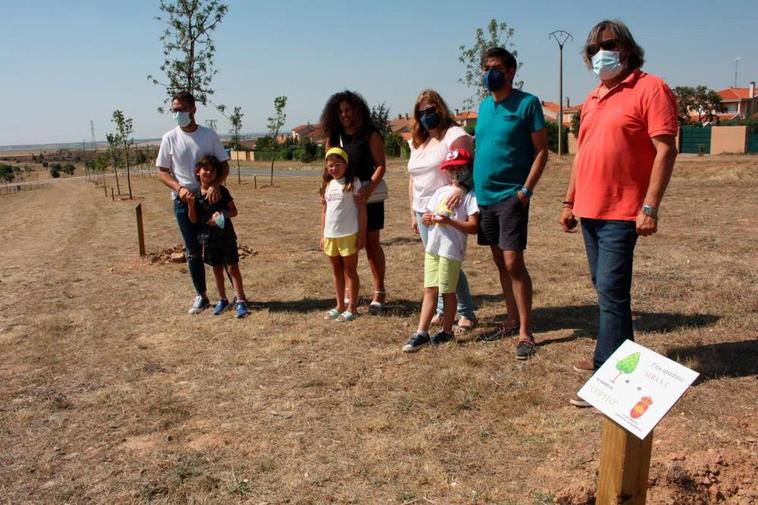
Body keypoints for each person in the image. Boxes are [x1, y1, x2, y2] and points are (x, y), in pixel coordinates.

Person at [558, 20, 678, 407]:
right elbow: (584, 154)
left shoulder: (651, 88)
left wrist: (650, 207)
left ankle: (606, 378)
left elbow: (666, 150)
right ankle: (612, 359)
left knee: (611, 293)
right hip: (589, 211)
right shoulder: (594, 97)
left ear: (626, 48)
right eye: (593, 48)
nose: (599, 53)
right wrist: (568, 201)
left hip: (623, 213)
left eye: (607, 44)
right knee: (606, 291)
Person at [473, 47, 549, 360]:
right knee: (498, 262)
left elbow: (542, 152)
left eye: (495, 68)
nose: (489, 73)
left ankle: (526, 333)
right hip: (485, 198)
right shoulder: (483, 107)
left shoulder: (528, 104)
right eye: (485, 67)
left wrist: (525, 192)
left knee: (513, 263)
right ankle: (510, 319)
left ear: (511, 71)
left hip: (511, 196)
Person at [407, 89, 478, 332]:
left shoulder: (454, 134)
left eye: (430, 110)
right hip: (423, 210)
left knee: (449, 260)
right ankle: (440, 309)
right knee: (436, 261)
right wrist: (413, 212)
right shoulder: (419, 140)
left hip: (445, 209)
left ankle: (466, 312)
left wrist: (462, 189)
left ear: (440, 109)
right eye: (422, 112)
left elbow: (469, 161)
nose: (426, 116)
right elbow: (413, 178)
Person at [156, 91, 230, 314]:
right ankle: (202, 295)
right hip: (184, 203)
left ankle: (230, 296)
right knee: (192, 251)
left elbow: (224, 165)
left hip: (210, 201)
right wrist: (179, 189)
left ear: (193, 110)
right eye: (174, 110)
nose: (177, 114)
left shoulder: (209, 135)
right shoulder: (169, 138)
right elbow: (162, 171)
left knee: (220, 246)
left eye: (181, 109)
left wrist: (215, 185)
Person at [403, 148, 480, 352]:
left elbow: (473, 227)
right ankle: (421, 332)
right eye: (451, 169)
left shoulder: (469, 196)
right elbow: (429, 216)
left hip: (451, 250)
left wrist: (450, 222)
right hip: (433, 249)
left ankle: (447, 330)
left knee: (447, 291)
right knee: (430, 289)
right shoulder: (440, 192)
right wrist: (427, 219)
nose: (455, 173)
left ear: (468, 169)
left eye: (460, 168)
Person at [320, 91, 387, 314]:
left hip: (368, 194)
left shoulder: (370, 133)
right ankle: (349, 296)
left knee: (370, 243)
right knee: (346, 245)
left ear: (357, 110)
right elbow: (328, 167)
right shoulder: (334, 135)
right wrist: (324, 191)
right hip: (343, 198)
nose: (344, 114)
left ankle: (379, 292)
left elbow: (381, 166)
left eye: (348, 110)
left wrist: (367, 190)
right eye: (340, 111)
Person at [187, 155, 248, 319]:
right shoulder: (194, 196)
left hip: (226, 236)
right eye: (205, 169)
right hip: (207, 239)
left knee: (232, 268)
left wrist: (222, 215)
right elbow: (193, 219)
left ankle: (241, 300)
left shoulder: (222, 191)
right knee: (216, 269)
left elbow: (234, 211)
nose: (209, 172)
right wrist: (191, 205)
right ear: (197, 172)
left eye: (213, 170)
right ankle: (222, 299)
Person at [320, 147, 367, 322]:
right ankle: (340, 305)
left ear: (346, 165)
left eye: (338, 165)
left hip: (348, 235)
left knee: (350, 271)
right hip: (331, 236)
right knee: (336, 271)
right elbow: (324, 211)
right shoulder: (327, 185)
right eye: (330, 165)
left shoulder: (353, 182)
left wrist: (361, 234)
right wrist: (323, 235)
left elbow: (362, 209)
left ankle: (352, 308)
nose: (334, 169)